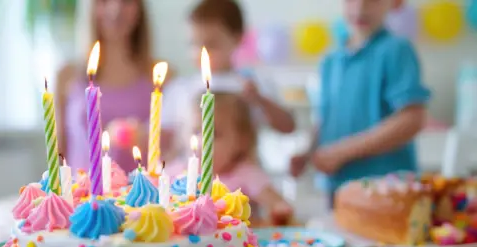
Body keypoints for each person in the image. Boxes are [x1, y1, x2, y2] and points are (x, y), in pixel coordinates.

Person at [290, 0, 431, 208]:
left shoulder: (396, 50)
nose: (360, 8)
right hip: (338, 190)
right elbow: (326, 118)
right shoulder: (331, 61)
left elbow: (412, 119)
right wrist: (308, 153)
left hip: (386, 192)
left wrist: (342, 152)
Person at [163, 0, 295, 154]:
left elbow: (288, 127)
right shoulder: (181, 89)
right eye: (193, 43)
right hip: (192, 174)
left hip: (243, 175)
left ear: (237, 39)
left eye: (211, 44)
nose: (199, 52)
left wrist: (259, 99)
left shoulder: (251, 84)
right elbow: (164, 138)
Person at [55, 0, 172, 173]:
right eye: (104, 1)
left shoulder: (163, 75)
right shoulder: (66, 76)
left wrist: (146, 136)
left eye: (126, 1)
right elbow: (57, 153)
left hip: (144, 197)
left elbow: (176, 149)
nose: (115, 9)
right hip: (81, 195)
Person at [169, 92, 294, 225]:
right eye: (196, 132)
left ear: (241, 140)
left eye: (215, 133)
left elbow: (280, 206)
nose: (202, 142)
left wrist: (277, 213)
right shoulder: (176, 174)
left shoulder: (247, 174)